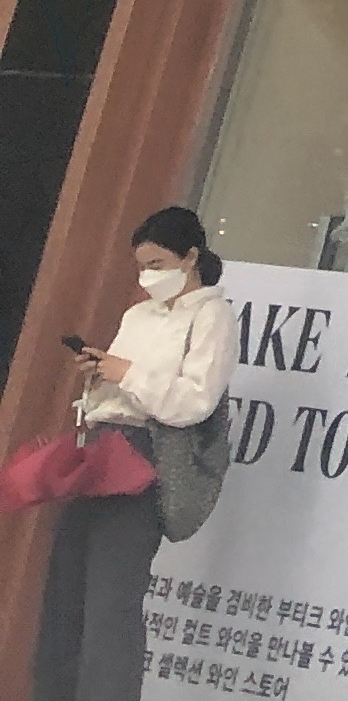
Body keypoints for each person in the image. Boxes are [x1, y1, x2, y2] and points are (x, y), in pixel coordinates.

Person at [35, 205, 232, 701]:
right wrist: (102, 375)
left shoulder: (212, 315)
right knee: (67, 588)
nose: (148, 276)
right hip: (102, 445)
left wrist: (127, 373)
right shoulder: (137, 314)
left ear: (191, 257)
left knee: (112, 598)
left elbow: (195, 401)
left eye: (158, 265)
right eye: (143, 266)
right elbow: (123, 387)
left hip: (147, 455)